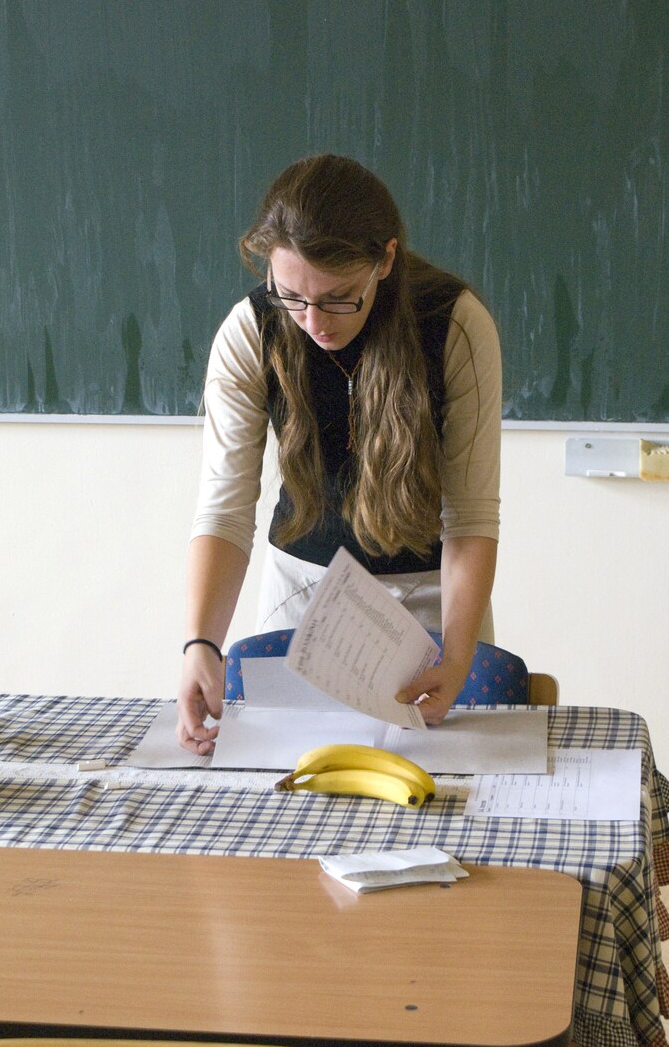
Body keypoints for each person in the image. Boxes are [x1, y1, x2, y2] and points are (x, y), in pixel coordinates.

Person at [177, 153, 501, 754]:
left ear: (385, 260)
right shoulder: (250, 330)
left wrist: (457, 656)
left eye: (339, 297)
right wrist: (201, 642)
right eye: (291, 296)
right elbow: (224, 509)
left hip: (435, 602)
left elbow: (471, 515)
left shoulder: (455, 323)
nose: (314, 322)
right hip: (302, 598)